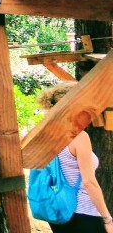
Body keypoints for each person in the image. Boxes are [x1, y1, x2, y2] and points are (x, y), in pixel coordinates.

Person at [38, 83, 113, 232]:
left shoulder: (46, 133)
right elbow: (89, 182)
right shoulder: (79, 137)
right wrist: (107, 218)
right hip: (83, 212)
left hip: (58, 210)